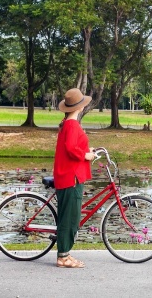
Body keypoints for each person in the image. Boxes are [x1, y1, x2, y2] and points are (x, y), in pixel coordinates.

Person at [53, 88, 95, 268]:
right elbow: (71, 148)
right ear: (79, 107)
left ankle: (65, 253)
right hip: (72, 177)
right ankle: (63, 256)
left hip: (70, 175)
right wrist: (85, 156)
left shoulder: (68, 123)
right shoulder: (71, 125)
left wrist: (88, 151)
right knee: (70, 218)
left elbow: (73, 146)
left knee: (68, 216)